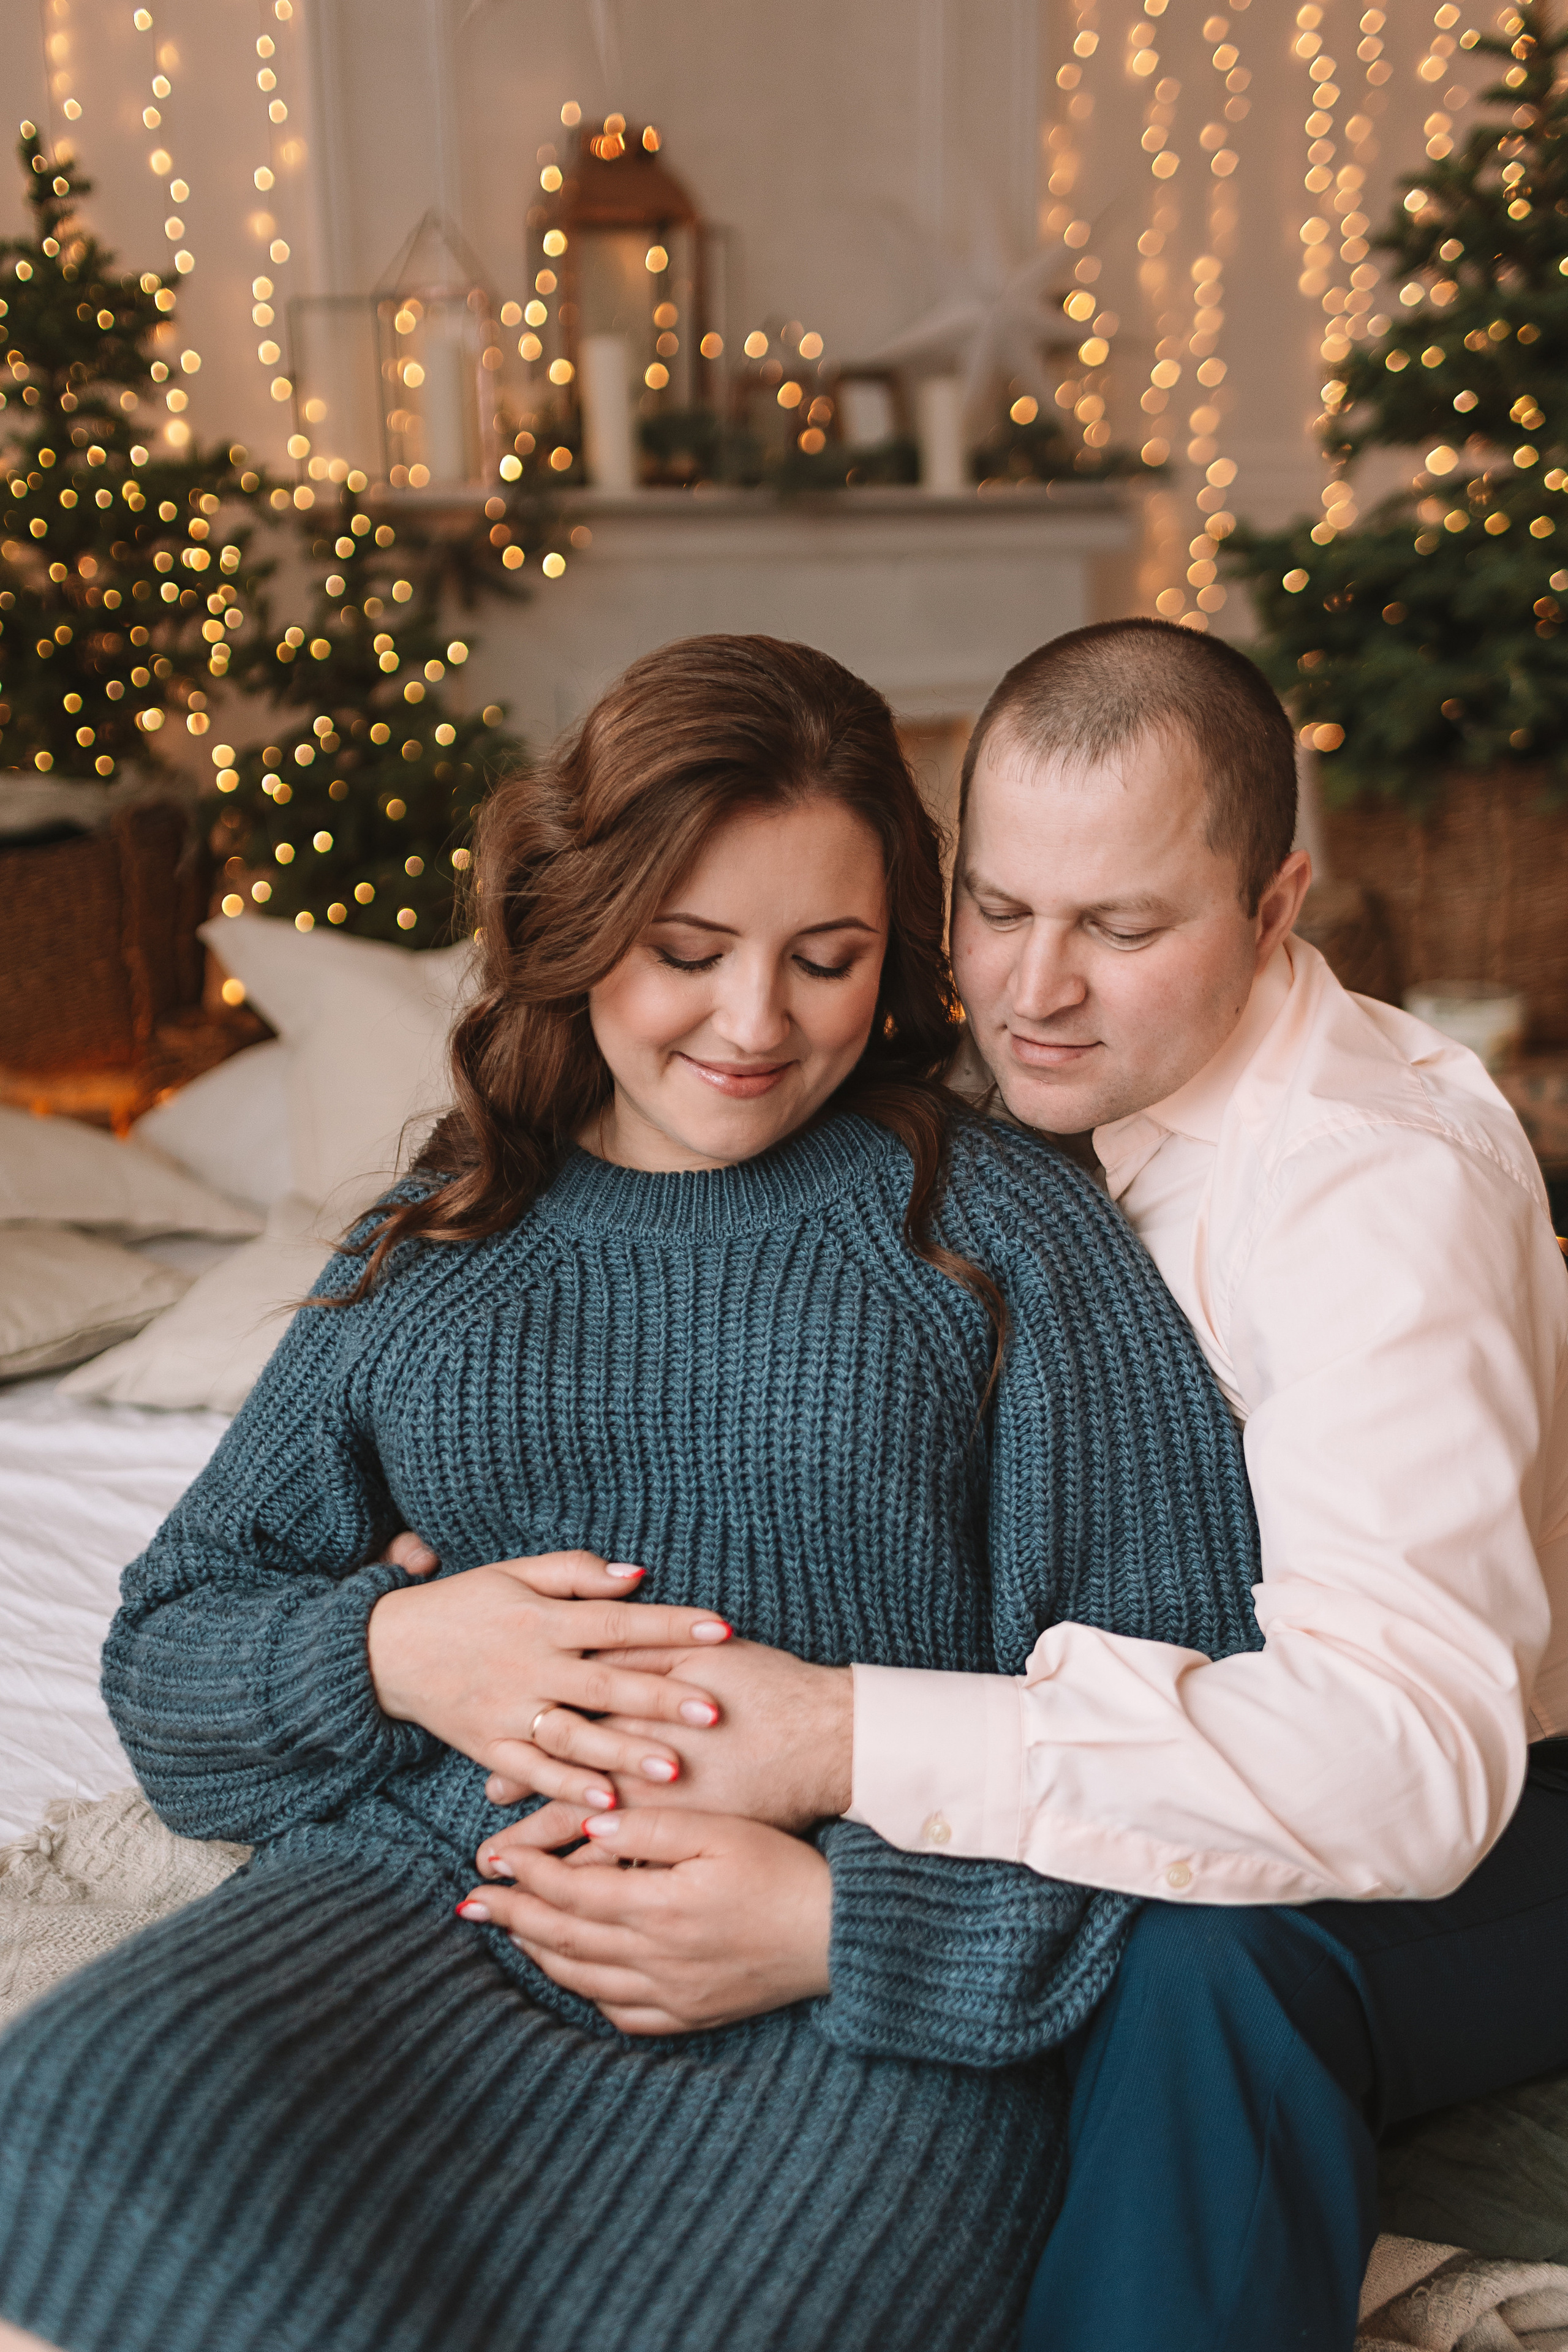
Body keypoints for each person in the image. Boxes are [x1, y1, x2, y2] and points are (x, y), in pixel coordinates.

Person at [0, 635, 1267, 2352]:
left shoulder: (993, 1233)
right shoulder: (437, 1242)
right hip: (419, 1927)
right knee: (70, 2114)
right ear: (580, 925)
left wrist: (847, 1926)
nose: (755, 1025)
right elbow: (173, 1659)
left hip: (847, 2002)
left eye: (827, 961)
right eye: (687, 953)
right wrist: (394, 1652)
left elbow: (1198, 1731)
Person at [475, 620, 1568, 2352]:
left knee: (1218, 1966)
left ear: (1277, 911)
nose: (1035, 987)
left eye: (1123, 930)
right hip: (1126, 1695)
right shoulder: (953, 1051)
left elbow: (1412, 1764)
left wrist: (845, 1791)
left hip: (1506, 1808)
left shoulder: (1375, 1198)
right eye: (998, 908)